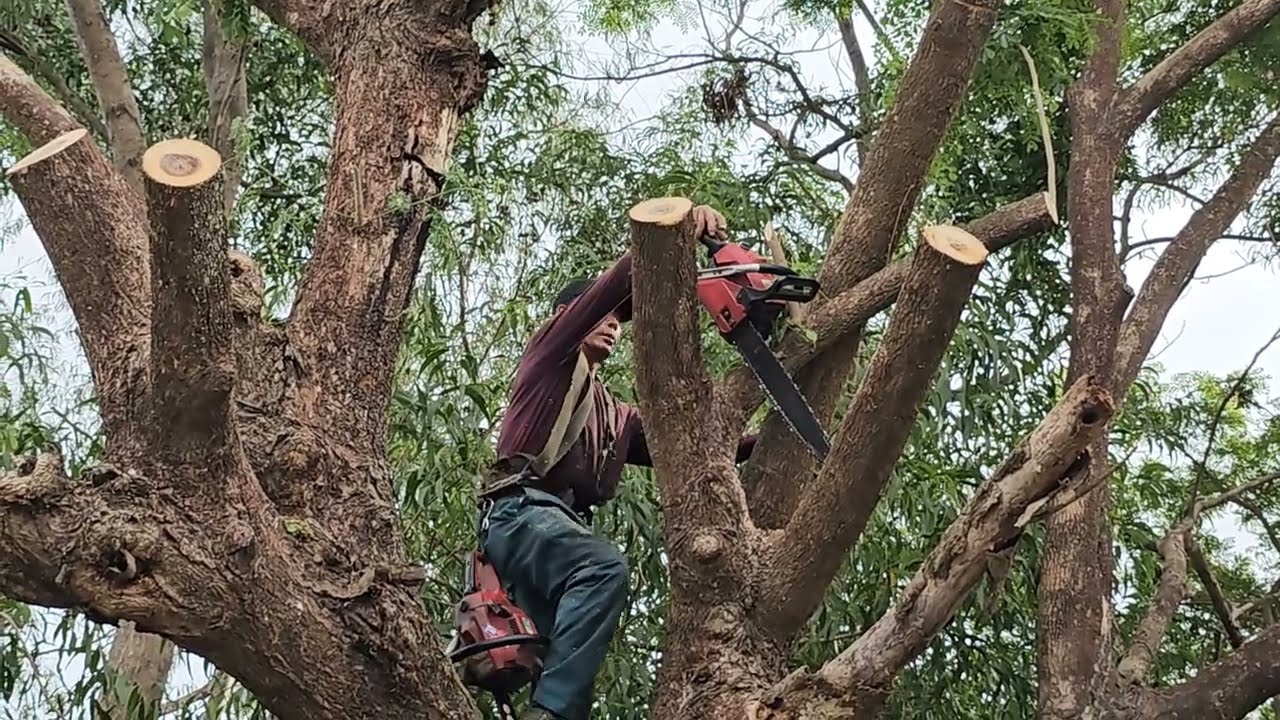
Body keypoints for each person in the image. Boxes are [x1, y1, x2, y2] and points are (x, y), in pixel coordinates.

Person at [478, 205, 757, 720]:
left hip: (552, 529)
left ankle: (554, 711)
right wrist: (674, 237)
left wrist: (765, 442)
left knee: (555, 653)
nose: (612, 326)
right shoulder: (551, 356)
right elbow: (611, 291)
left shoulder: (615, 416)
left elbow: (698, 447)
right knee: (602, 568)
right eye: (600, 317)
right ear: (569, 318)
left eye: (616, 323)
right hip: (520, 514)